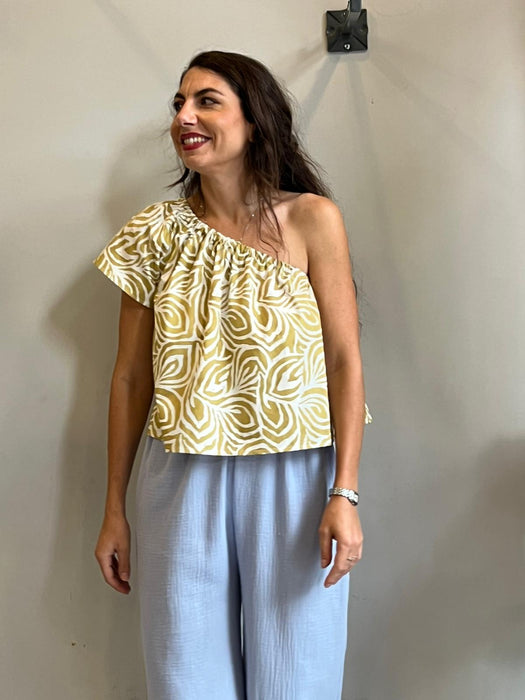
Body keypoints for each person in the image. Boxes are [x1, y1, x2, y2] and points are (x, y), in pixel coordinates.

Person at [94, 50, 372, 700]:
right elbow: (130, 378)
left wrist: (345, 492)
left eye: (206, 101)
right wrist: (114, 510)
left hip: (295, 477)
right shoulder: (154, 232)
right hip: (180, 476)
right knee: (185, 678)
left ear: (255, 118)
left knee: (297, 677)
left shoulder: (311, 218)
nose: (184, 117)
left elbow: (344, 360)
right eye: (178, 104)